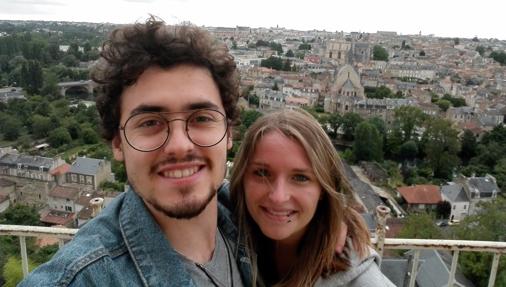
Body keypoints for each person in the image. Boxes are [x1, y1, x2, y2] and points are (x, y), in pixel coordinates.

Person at [19, 17, 251, 286]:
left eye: (201, 118)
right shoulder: (83, 279)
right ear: (118, 143)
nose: (179, 145)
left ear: (229, 133)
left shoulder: (257, 218)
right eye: (150, 122)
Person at [229, 109, 395, 287]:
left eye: (300, 178)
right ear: (242, 178)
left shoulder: (364, 282)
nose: (278, 197)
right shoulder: (226, 224)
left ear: (324, 188)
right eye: (262, 173)